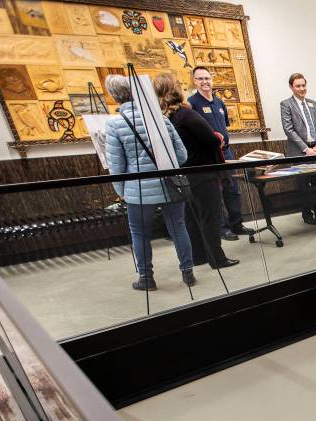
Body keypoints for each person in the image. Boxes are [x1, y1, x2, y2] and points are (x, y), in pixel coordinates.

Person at [104, 74, 195, 291]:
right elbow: (181, 155)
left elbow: (116, 165)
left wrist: (121, 192)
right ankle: (188, 273)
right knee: (178, 228)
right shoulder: (159, 119)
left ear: (114, 96)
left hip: (138, 189)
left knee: (139, 232)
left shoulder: (115, 124)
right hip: (170, 184)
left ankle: (146, 278)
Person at [153, 74, 238, 270]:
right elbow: (211, 139)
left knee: (193, 217)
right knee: (210, 216)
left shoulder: (166, 117)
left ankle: (199, 256)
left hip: (185, 173)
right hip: (204, 172)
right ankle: (217, 258)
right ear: (176, 90)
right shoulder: (186, 114)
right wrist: (218, 138)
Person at [188, 66, 253, 241]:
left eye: (207, 78)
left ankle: (237, 224)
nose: (205, 82)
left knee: (233, 189)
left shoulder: (219, 102)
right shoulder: (192, 103)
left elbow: (225, 126)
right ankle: (223, 228)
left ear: (212, 79)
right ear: (194, 81)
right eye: (200, 79)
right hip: (209, 156)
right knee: (216, 193)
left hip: (226, 153)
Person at [279, 72, 316, 226]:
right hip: (299, 151)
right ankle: (307, 215)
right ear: (291, 87)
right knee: (302, 185)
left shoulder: (312, 103)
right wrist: (305, 148)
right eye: (298, 86)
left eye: (303, 85)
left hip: (315, 149)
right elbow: (288, 129)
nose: (302, 88)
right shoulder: (286, 104)